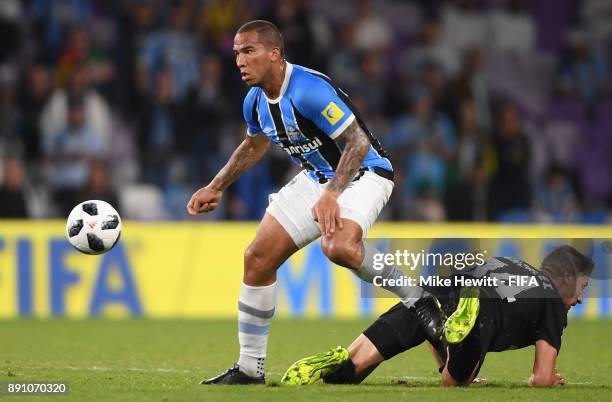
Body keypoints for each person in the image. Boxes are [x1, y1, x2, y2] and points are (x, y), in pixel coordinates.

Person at [186, 20, 445, 385]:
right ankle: (249, 368)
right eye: (236, 54)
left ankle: (417, 297)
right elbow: (255, 143)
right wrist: (216, 186)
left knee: (338, 246)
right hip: (318, 178)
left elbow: (358, 144)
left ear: (274, 54)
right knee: (256, 259)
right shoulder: (255, 100)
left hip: (366, 173)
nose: (240, 61)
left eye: (249, 51)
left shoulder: (308, 90)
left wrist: (332, 195)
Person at [281, 245, 592, 387]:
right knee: (456, 381)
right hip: (483, 307)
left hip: (435, 291)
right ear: (564, 276)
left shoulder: (513, 262)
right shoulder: (551, 299)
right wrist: (551, 381)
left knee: (355, 369)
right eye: (582, 287)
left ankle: (334, 361)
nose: (579, 298)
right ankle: (463, 326)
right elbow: (540, 378)